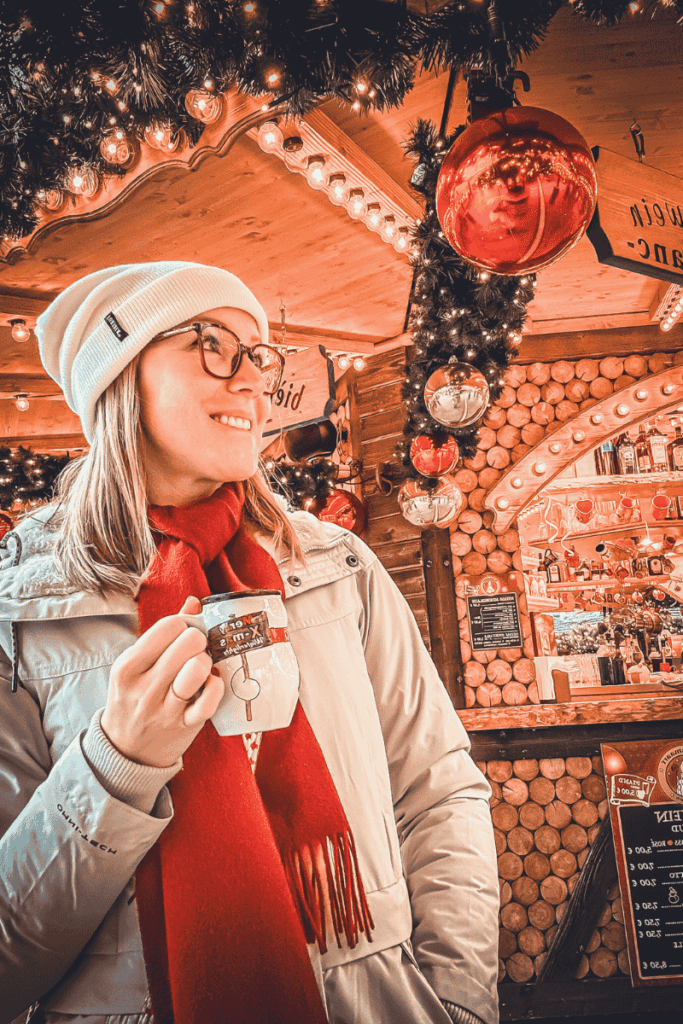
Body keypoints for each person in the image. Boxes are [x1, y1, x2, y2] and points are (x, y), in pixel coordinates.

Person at [0, 262, 499, 1024]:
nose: (253, 381)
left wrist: (458, 1003)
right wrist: (117, 764)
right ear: (119, 378)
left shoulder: (337, 568)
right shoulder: (20, 610)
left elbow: (436, 790)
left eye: (260, 353)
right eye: (210, 342)